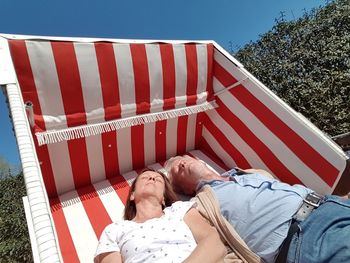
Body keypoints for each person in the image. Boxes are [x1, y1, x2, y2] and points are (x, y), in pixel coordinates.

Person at [165, 155, 350, 263]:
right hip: (303, 240)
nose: (181, 163)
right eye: (176, 171)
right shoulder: (200, 206)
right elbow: (213, 246)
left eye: (183, 158)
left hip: (330, 207)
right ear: (186, 190)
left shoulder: (249, 172)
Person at [94, 168, 226, 263]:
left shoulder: (179, 210)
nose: (152, 178)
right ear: (132, 195)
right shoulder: (115, 229)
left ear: (163, 198)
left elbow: (214, 242)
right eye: (145, 178)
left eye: (158, 179)